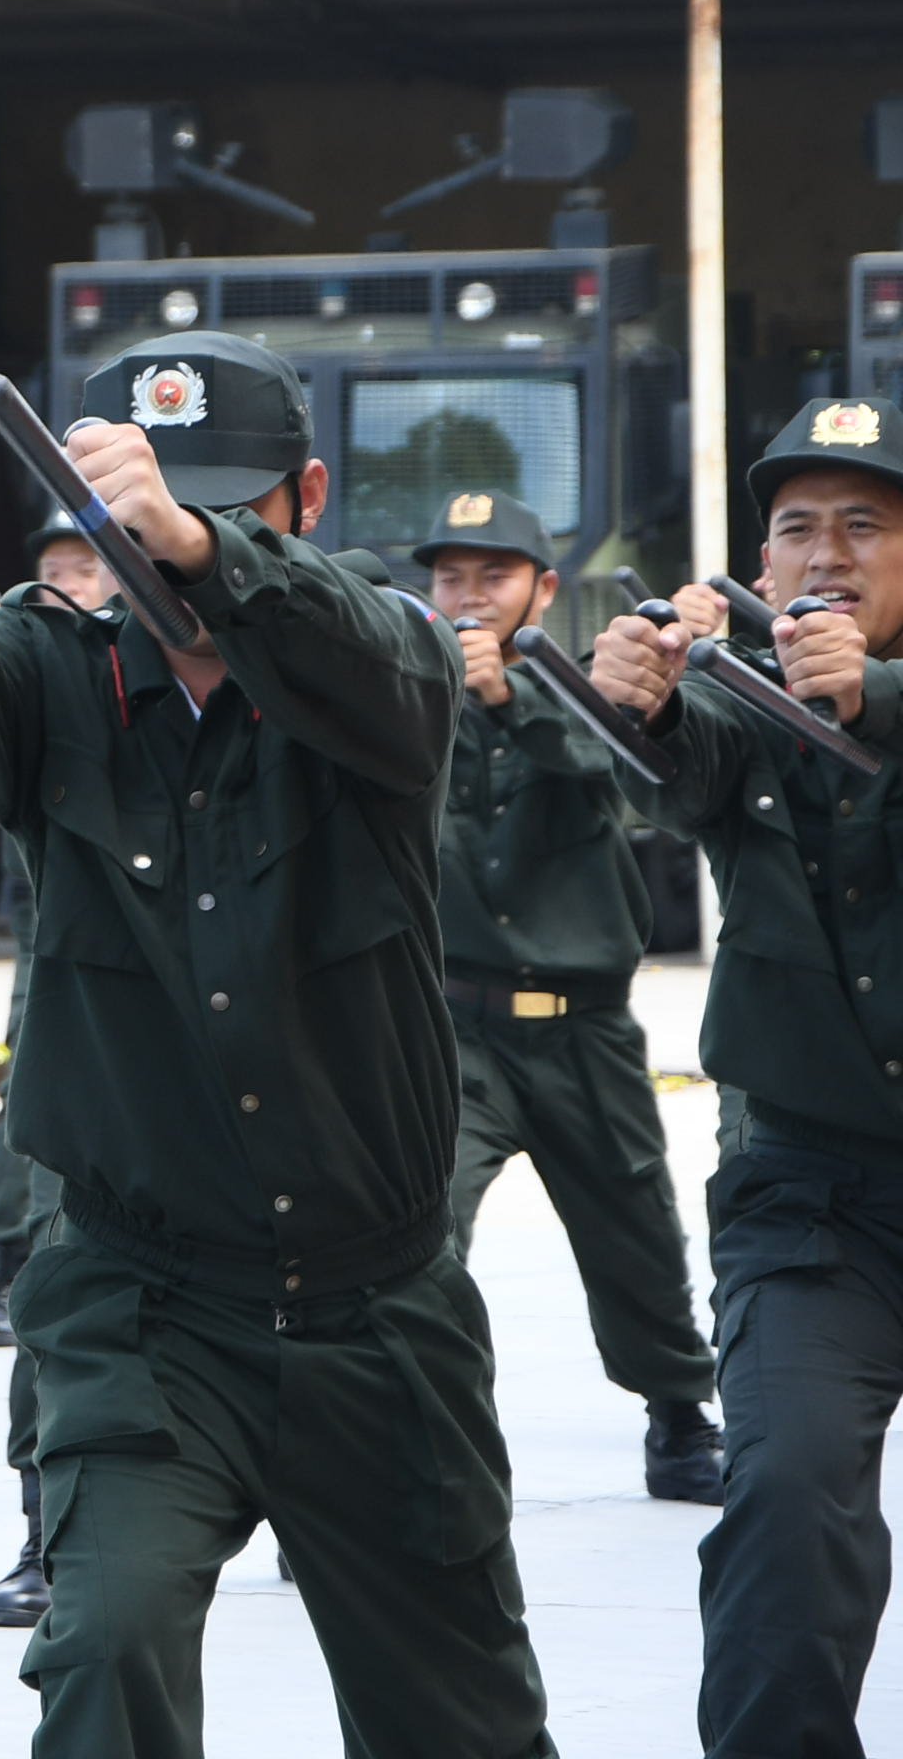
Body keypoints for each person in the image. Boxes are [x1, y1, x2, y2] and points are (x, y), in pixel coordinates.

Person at [0, 331, 551, 1759]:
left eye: (224, 506)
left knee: (461, 1720)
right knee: (106, 1647)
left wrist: (202, 549)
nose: (161, 557)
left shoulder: (380, 663)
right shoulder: (52, 677)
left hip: (375, 1311)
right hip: (144, 1310)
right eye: (131, 520)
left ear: (309, 499)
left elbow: (386, 667)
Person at [589, 398, 903, 1753]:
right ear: (760, 567)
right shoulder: (751, 702)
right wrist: (645, 701)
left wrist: (872, 693)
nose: (826, 554)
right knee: (782, 1502)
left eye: (865, 525)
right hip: (810, 1199)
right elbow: (686, 768)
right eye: (797, 531)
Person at [408, 487, 721, 1502]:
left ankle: (679, 1415)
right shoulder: (405, 693)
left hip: (582, 1029)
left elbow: (622, 769)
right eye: (450, 576)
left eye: (490, 575)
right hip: (451, 1024)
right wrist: (454, 696)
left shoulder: (594, 686)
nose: (467, 596)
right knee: (415, 1233)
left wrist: (509, 700)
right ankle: (386, 1449)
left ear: (541, 588)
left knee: (634, 1229)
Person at [0, 523, 107, 1635]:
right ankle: (42, 1526)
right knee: (56, 1292)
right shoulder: (47, 683)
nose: (74, 587)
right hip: (103, 1047)